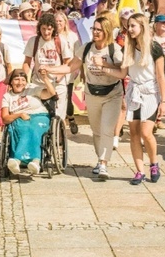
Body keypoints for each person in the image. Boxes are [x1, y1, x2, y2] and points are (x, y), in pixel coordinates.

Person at [43, 16, 123, 179]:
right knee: (96, 130)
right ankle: (100, 158)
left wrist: (105, 64)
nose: (95, 32)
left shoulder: (114, 49)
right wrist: (50, 69)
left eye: (98, 30)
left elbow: (123, 70)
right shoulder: (86, 48)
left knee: (107, 129)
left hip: (112, 94)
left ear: (106, 31)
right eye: (94, 29)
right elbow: (70, 67)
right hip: (92, 93)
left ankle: (103, 163)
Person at [99, 14, 165, 184]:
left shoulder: (154, 48)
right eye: (128, 26)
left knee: (146, 132)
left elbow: (160, 75)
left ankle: (154, 163)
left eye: (133, 26)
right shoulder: (128, 47)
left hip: (150, 92)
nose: (129, 29)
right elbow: (123, 73)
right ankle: (139, 171)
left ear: (142, 27)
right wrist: (105, 68)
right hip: (134, 91)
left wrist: (163, 101)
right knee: (134, 133)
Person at [1, 69, 57, 176]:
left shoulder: (32, 89)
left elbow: (52, 93)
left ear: (26, 82)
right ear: (11, 82)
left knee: (34, 129)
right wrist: (19, 114)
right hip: (19, 118)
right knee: (25, 129)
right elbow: (5, 118)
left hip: (40, 116)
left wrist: (44, 78)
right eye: (16, 79)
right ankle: (28, 161)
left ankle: (24, 160)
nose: (20, 82)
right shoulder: (7, 97)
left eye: (23, 80)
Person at [23, 13, 72, 120]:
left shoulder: (60, 41)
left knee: (58, 117)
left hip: (57, 84)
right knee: (38, 115)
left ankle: (59, 135)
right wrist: (24, 77)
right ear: (39, 28)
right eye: (43, 28)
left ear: (53, 28)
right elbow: (27, 62)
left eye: (49, 29)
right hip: (38, 84)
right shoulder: (33, 41)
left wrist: (60, 75)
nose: (46, 32)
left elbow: (68, 62)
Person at [55, 11, 81, 133]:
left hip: (69, 72)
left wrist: (77, 70)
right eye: (56, 21)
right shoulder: (52, 36)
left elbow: (78, 54)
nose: (58, 23)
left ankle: (70, 118)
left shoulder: (72, 36)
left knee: (67, 99)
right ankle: (59, 126)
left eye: (60, 21)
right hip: (55, 72)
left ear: (65, 22)